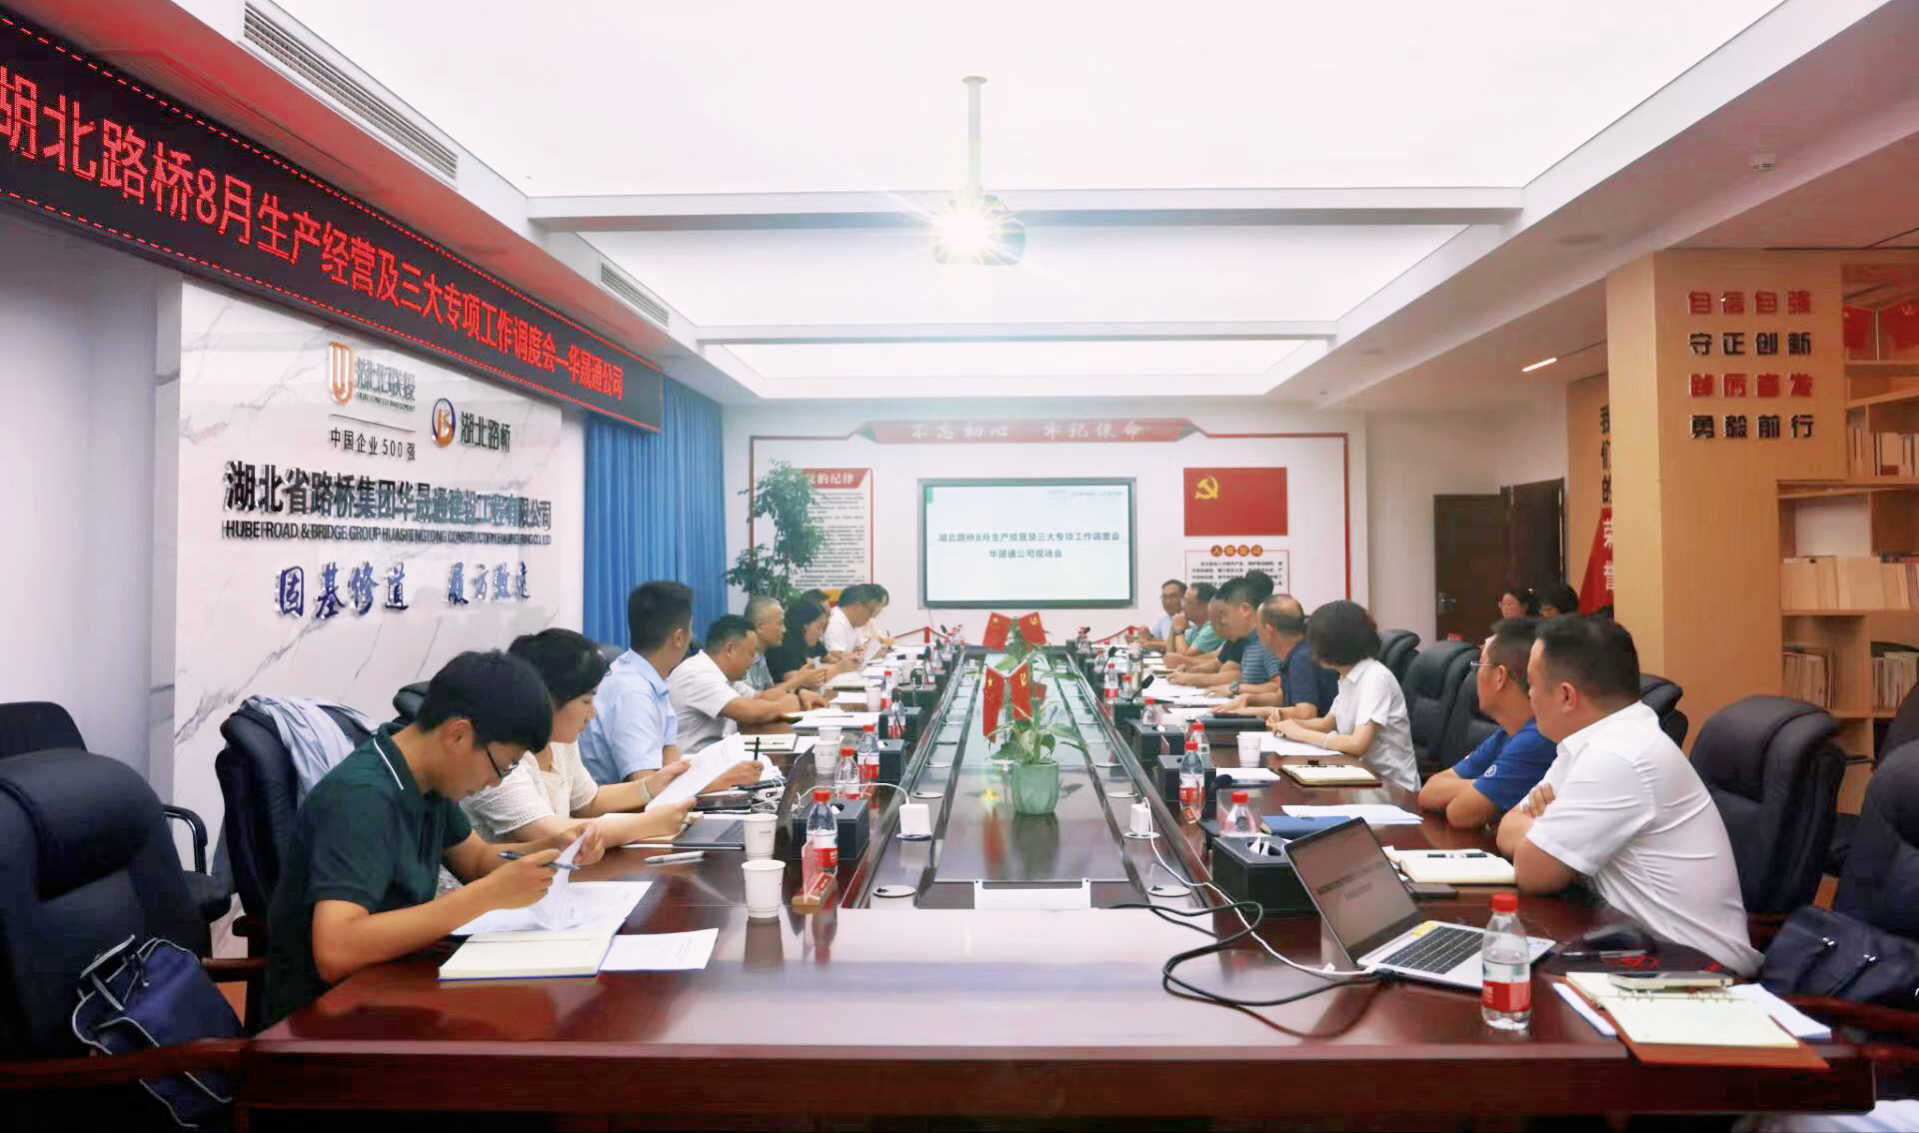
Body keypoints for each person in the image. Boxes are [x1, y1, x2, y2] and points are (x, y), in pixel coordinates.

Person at [264, 651, 607, 1024]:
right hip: (326, 1024)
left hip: (393, 985)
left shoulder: (425, 777)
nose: (495, 782)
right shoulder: (361, 798)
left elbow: (476, 860)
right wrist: (486, 896)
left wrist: (556, 845)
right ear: (458, 734)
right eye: (503, 766)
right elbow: (336, 950)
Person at [1497, 616, 1761, 975]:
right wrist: (1542, 835)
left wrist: (1540, 835)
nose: (1528, 695)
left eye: (1531, 684)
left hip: (1695, 971)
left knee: (1507, 976)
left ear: (1566, 696)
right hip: (1632, 943)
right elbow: (1507, 826)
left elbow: (1533, 871)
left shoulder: (1619, 756)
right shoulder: (1593, 742)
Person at [459, 630, 705, 850]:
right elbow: (550, 832)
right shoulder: (500, 755)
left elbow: (588, 801)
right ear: (547, 699)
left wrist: (652, 786)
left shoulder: (560, 741)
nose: (593, 713)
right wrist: (649, 823)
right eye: (586, 701)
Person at [1416, 618, 1557, 829]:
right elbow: (1429, 791)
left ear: (1500, 676)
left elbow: (1461, 813)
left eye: (1479, 665)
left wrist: (1484, 786)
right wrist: (1487, 784)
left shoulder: (1538, 737)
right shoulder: (1507, 733)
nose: (1475, 676)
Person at [1271, 600, 1418, 792]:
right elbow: (1326, 724)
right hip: (1358, 776)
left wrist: (1300, 733)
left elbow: (1358, 744)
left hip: (1391, 787)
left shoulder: (1375, 677)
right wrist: (1288, 723)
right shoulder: (1347, 676)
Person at [580, 581, 713, 786]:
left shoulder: (651, 679)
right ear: (679, 638)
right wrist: (718, 782)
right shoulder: (633, 692)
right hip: (622, 804)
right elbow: (646, 785)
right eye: (691, 628)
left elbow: (670, 762)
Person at [669, 614, 803, 753]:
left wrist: (797, 696)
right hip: (692, 760)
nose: (753, 661)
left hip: (716, 753)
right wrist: (784, 706)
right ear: (730, 650)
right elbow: (748, 711)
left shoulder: (722, 674)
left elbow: (759, 697)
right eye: (751, 654)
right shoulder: (697, 673)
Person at [1218, 595, 1338, 720]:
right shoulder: (1298, 651)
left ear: (1269, 630)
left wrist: (1256, 711)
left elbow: (1306, 713)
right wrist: (1249, 698)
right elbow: (1281, 697)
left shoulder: (1302, 659)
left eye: (1258, 626)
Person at [1172, 577, 1262, 689]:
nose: (1222, 621)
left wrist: (1191, 678)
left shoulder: (1262, 638)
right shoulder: (1239, 637)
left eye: (1224, 614)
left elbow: (1239, 676)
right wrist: (1190, 671)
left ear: (1245, 610)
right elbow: (1220, 665)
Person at [742, 594, 827, 708]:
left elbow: (769, 691)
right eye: (780, 623)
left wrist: (800, 692)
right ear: (760, 627)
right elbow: (753, 702)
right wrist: (797, 680)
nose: (784, 630)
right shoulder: (742, 657)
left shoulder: (760, 655)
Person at [765, 597, 834, 684]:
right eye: (819, 627)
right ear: (805, 625)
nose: (821, 634)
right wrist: (840, 668)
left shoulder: (799, 642)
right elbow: (805, 682)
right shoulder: (785, 645)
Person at [824, 584, 889, 658]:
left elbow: (857, 649)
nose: (872, 617)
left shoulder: (853, 622)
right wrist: (870, 654)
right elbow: (837, 656)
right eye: (871, 611)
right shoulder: (836, 623)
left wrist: (869, 650)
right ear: (857, 606)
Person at [1164, 582, 1221, 662]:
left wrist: (1179, 630)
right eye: (1183, 601)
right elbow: (1170, 656)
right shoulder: (1195, 628)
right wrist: (1173, 628)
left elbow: (1183, 658)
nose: (1182, 606)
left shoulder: (1214, 628)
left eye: (1187, 602)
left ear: (1205, 606)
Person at [1142, 580, 1186, 650]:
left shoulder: (1191, 618)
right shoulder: (1162, 617)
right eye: (1164, 597)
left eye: (1173, 597)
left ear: (1184, 598)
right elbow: (1156, 640)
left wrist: (1152, 643)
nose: (1168, 601)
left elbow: (1181, 646)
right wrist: (1147, 637)